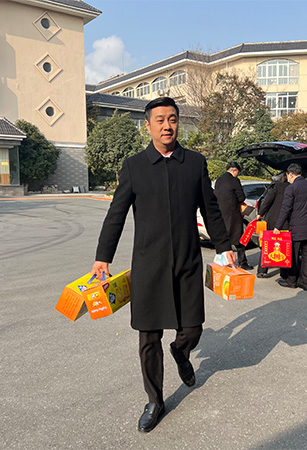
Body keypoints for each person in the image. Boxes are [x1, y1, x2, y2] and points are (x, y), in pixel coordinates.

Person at [90, 97, 235, 434]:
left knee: (193, 328)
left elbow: (211, 209)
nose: (167, 126)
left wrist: (225, 247)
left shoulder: (195, 163)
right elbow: (116, 214)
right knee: (148, 336)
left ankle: (181, 353)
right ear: (148, 126)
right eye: (160, 120)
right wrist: (102, 256)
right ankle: (154, 400)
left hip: (187, 260)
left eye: (172, 119)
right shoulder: (134, 166)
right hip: (149, 264)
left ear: (177, 122)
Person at [273, 163, 307, 290]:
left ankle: (292, 281)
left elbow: (285, 209)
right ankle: (306, 283)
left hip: (297, 229)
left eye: (287, 176)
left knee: (293, 256)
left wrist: (278, 227)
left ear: (290, 174)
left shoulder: (291, 188)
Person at [214, 161, 254, 270]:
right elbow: (241, 198)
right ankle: (243, 262)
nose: (237, 174)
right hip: (233, 214)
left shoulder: (219, 180)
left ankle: (222, 262)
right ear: (234, 170)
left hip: (220, 213)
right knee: (239, 238)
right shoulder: (234, 180)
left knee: (223, 238)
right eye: (238, 172)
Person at [256, 172, 290, 279]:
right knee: (284, 244)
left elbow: (267, 201)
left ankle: (262, 270)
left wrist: (260, 213)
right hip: (286, 220)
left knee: (267, 243)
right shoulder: (293, 188)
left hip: (272, 218)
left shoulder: (277, 187)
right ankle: (284, 273)